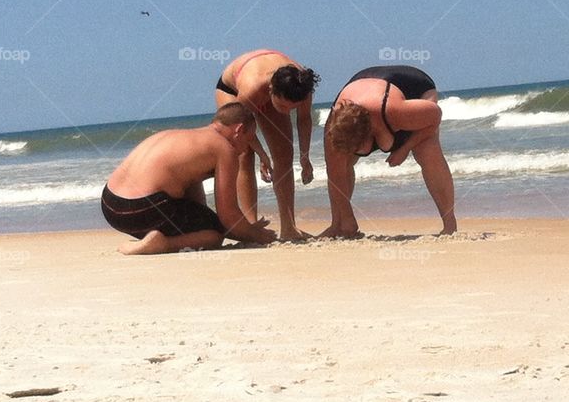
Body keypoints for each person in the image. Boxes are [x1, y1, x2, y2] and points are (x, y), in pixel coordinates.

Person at [101, 102, 276, 255]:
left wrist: (241, 228)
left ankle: (152, 239)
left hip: (110, 205)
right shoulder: (224, 149)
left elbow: (197, 206)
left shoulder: (191, 137)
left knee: (208, 226)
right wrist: (257, 235)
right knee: (212, 237)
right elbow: (228, 215)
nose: (246, 149)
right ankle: (162, 243)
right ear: (238, 130)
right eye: (249, 139)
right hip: (140, 209)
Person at [322, 65, 456, 238]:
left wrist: (405, 149)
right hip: (362, 84)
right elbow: (336, 174)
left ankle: (450, 224)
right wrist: (348, 219)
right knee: (339, 161)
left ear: (368, 135)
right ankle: (338, 224)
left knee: (427, 149)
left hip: (412, 85)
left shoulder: (395, 112)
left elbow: (435, 118)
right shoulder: (334, 129)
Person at [215, 49, 319, 241]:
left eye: (291, 108)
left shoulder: (301, 86)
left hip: (277, 86)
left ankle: (289, 227)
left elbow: (304, 120)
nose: (286, 111)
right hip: (232, 90)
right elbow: (240, 126)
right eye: (283, 106)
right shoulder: (252, 88)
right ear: (272, 91)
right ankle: (251, 226)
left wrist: (305, 157)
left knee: (284, 154)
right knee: (244, 152)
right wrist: (262, 154)